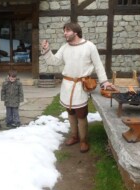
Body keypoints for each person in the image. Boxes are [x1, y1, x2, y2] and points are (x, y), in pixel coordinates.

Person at [41, 22, 116, 153]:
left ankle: (83, 140)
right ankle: (74, 136)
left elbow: (98, 65)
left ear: (75, 32)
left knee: (81, 114)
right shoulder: (65, 47)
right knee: (70, 112)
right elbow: (54, 61)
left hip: (81, 86)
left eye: (67, 31)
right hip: (67, 85)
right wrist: (47, 51)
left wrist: (104, 82)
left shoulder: (89, 46)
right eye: (64, 30)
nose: (65, 33)